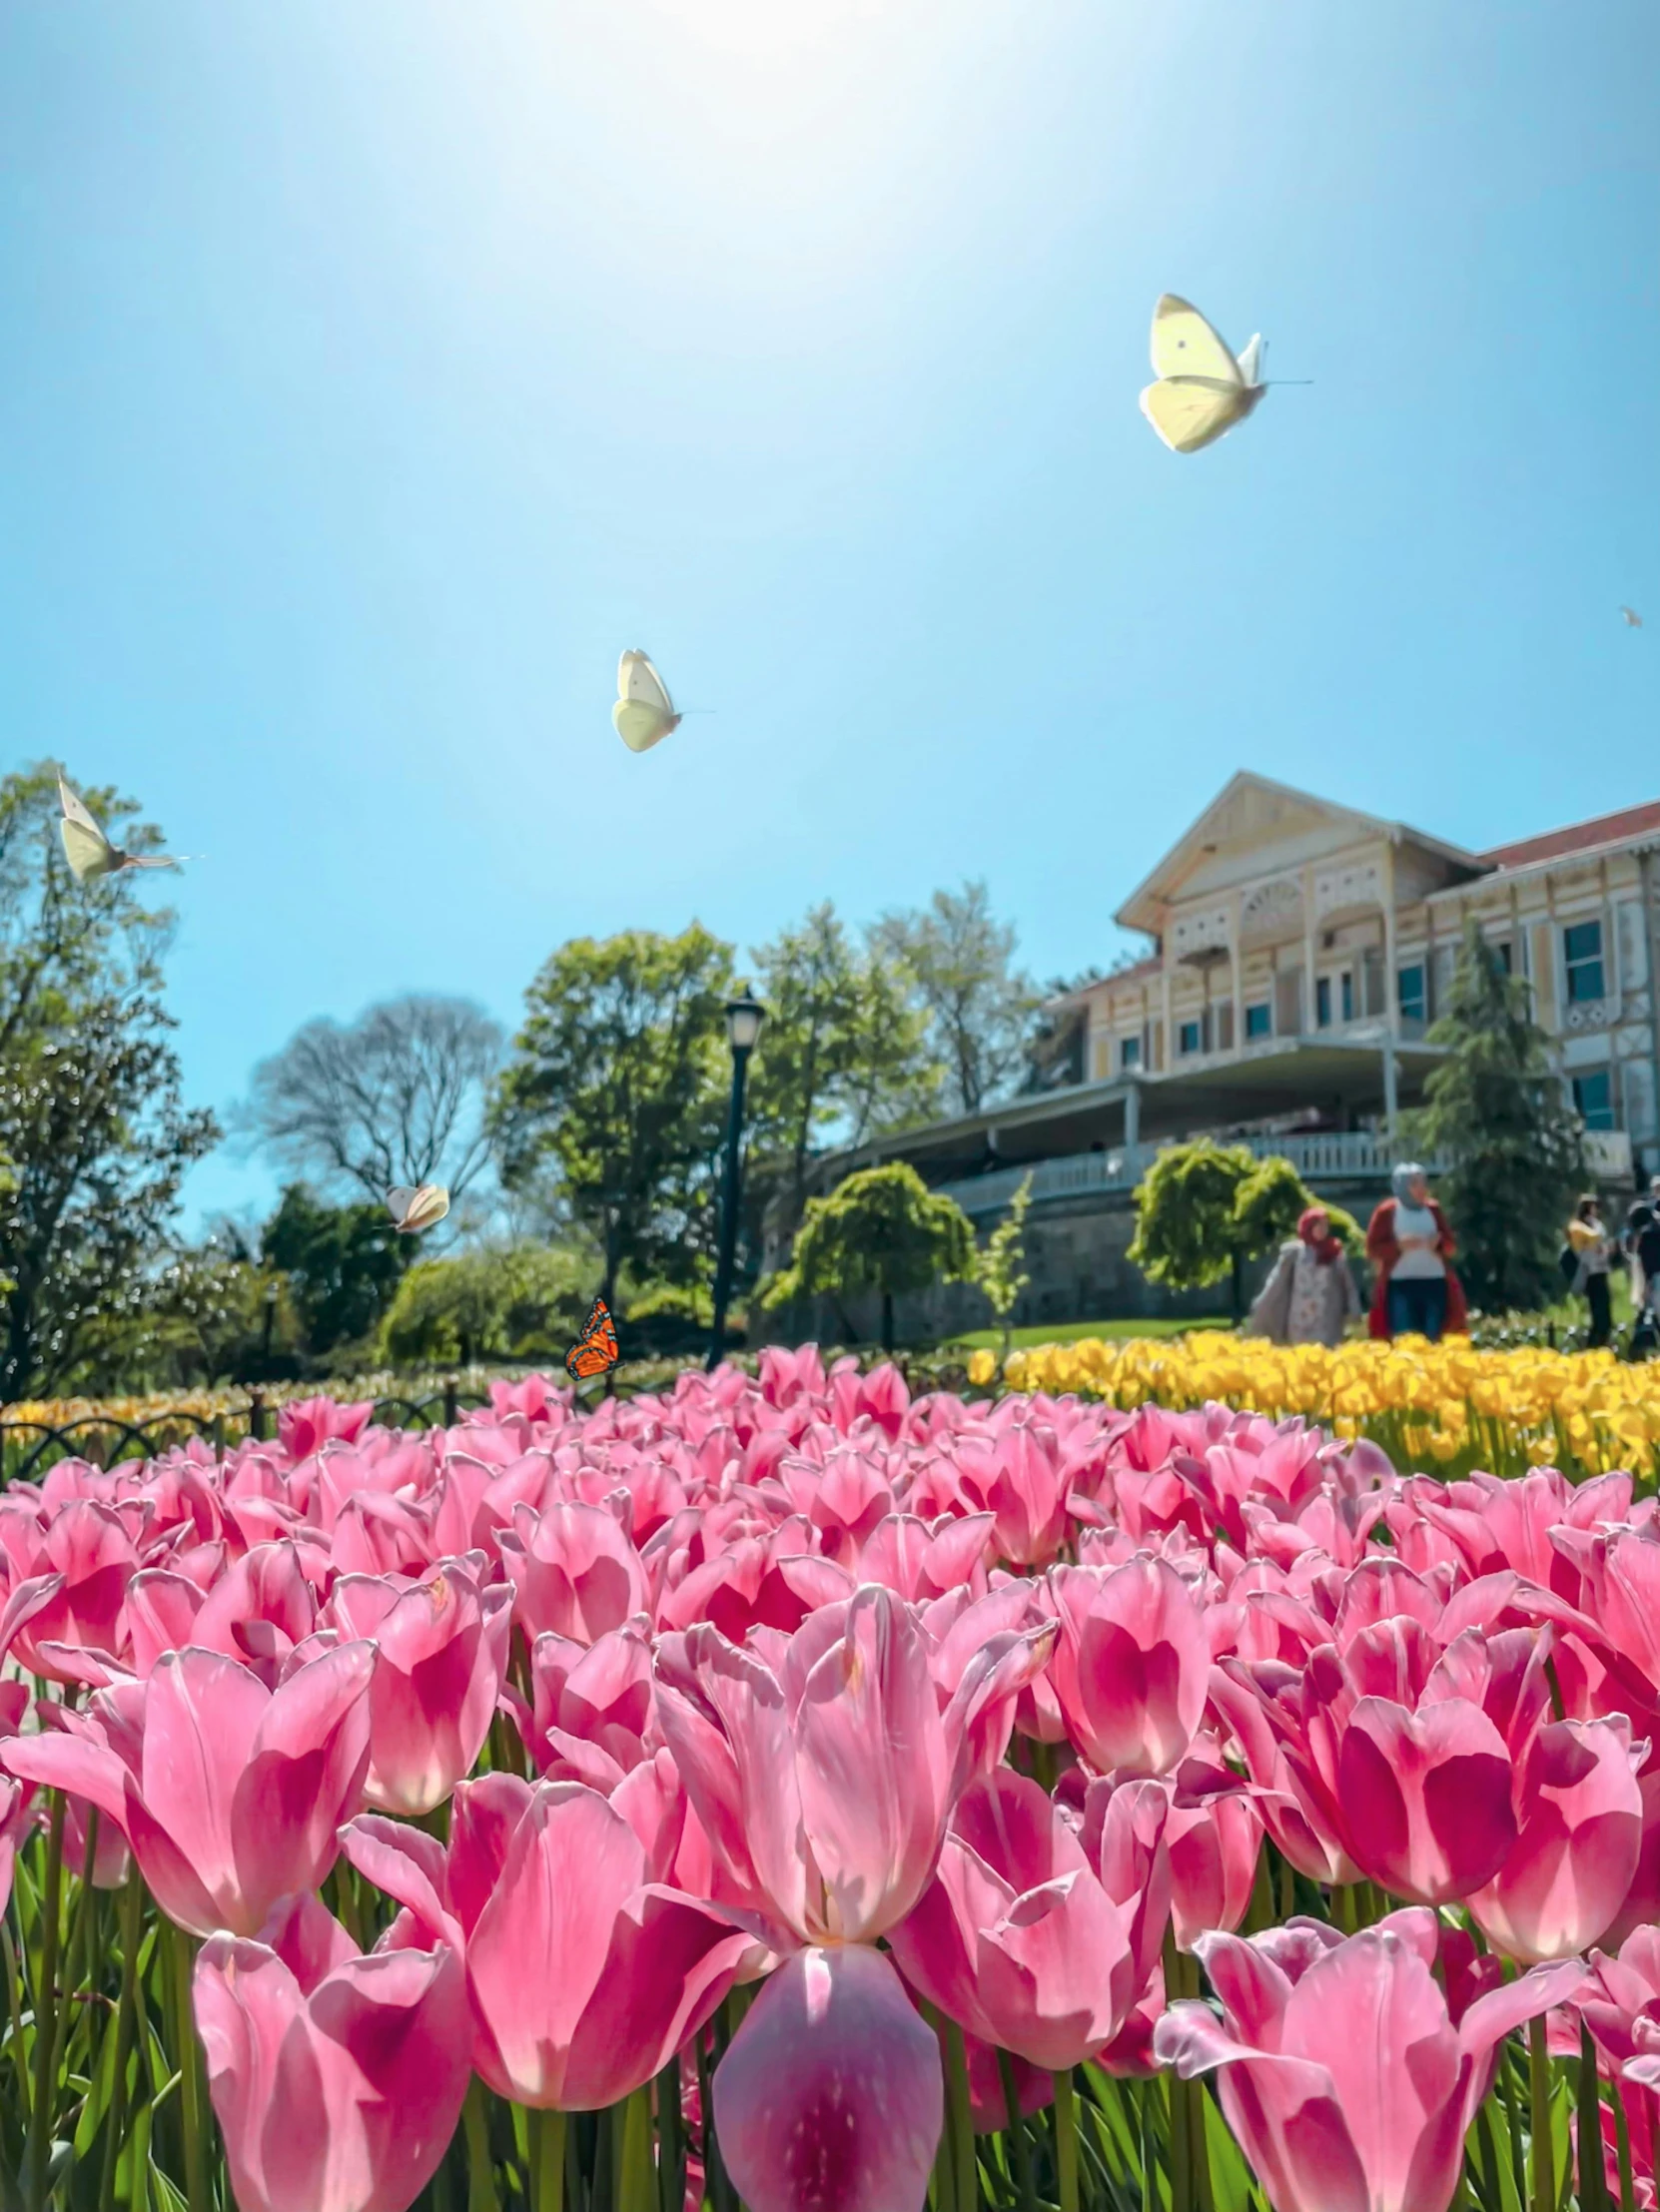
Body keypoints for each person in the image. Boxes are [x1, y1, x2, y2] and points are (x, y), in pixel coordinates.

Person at [1365, 1161, 1468, 1342]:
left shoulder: (1433, 1210)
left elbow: (1450, 1246)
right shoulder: (1388, 1211)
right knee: (1405, 1337)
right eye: (1414, 1184)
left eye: (1423, 1183)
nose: (1421, 1189)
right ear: (1402, 1187)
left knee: (1433, 1337)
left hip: (1434, 1283)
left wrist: (1438, 1244)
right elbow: (1372, 1249)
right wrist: (1398, 1246)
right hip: (1400, 1285)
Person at [1247, 1205, 1362, 1346]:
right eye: (1318, 1225)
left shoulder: (1335, 1253)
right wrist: (1262, 1303)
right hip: (1299, 1321)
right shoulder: (1294, 1253)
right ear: (1308, 1227)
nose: (1322, 1229)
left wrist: (1354, 1309)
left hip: (1327, 1321)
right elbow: (1277, 1281)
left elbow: (1348, 1285)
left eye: (1325, 1225)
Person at [1566, 1192, 1615, 1350]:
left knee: (1605, 1318)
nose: (1597, 1210)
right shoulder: (1578, 1227)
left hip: (1601, 1272)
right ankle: (1592, 1348)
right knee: (1599, 1317)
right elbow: (1595, 1238)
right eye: (1594, 1207)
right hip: (1591, 1275)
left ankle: (1600, 1346)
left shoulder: (1595, 1224)